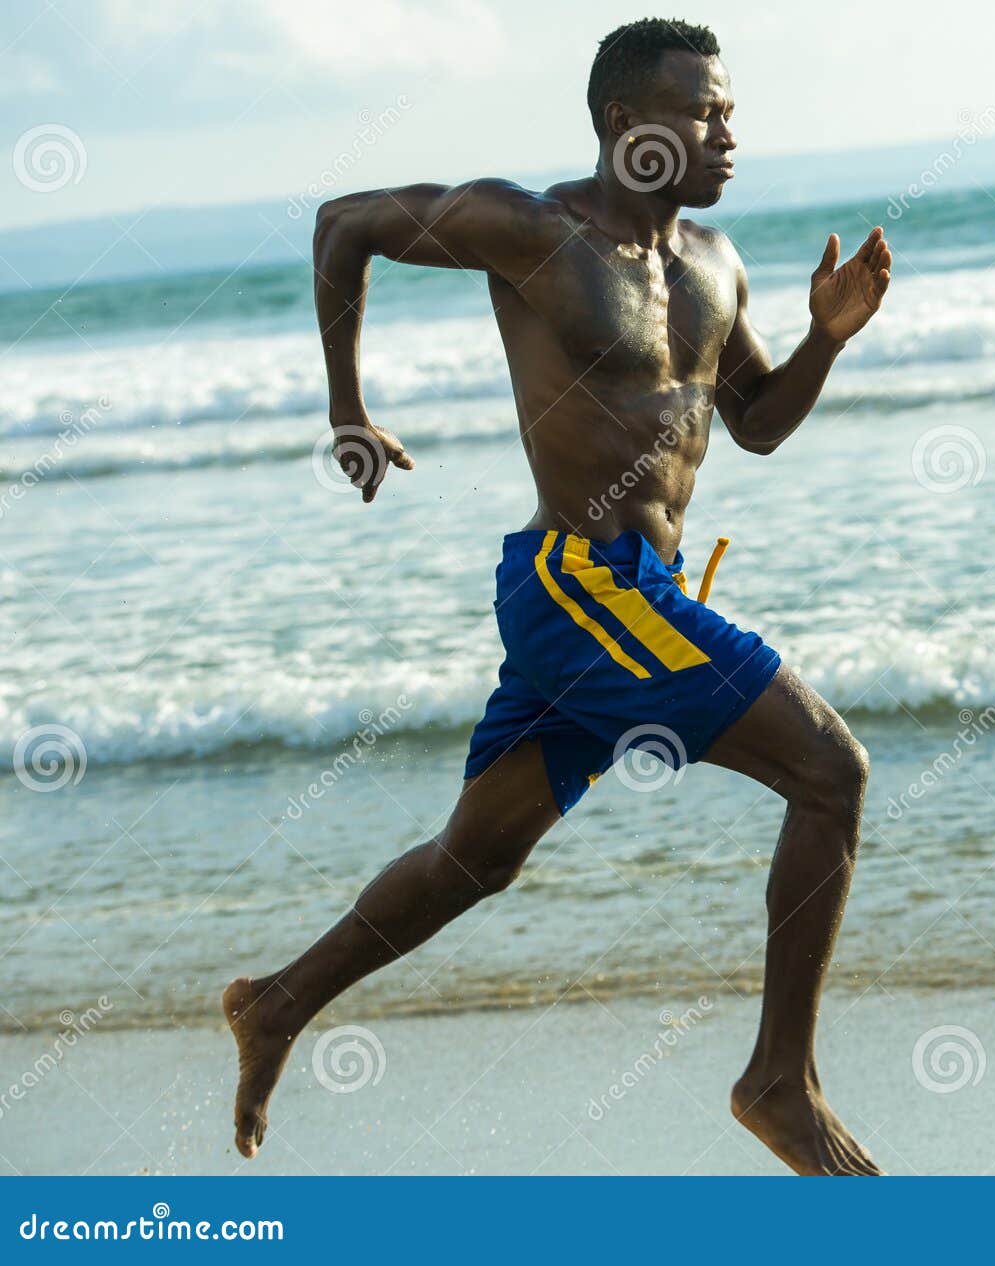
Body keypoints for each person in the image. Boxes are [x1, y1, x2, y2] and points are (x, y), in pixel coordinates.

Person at [224, 17, 892, 1177]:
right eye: (701, 110)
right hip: (576, 581)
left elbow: (758, 425)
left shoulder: (715, 266)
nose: (726, 131)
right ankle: (779, 1083)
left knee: (478, 857)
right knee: (830, 772)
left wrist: (825, 340)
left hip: (624, 596)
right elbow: (345, 225)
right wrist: (347, 406)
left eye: (730, 109)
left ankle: (278, 1001)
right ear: (627, 126)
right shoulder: (533, 231)